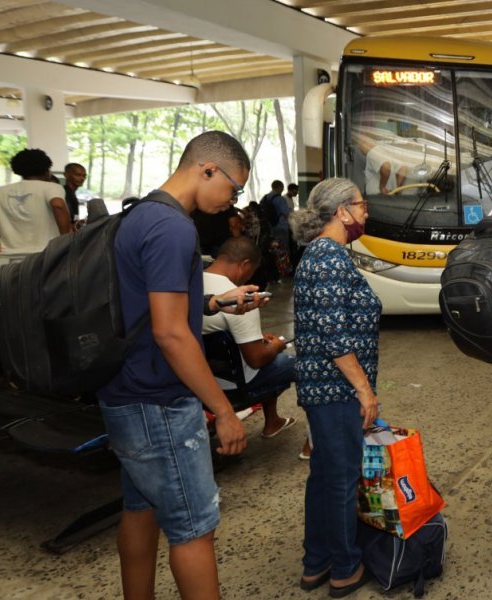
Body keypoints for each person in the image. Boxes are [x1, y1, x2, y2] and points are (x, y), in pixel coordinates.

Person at [96, 131, 262, 599]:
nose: (232, 203)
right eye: (233, 188)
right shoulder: (173, 228)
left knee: (140, 509)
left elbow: (148, 309)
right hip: (160, 401)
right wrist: (224, 410)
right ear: (207, 169)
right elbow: (170, 333)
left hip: (125, 391)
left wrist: (211, 304)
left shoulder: (141, 214)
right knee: (194, 527)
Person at [289, 177, 380, 596]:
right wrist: (364, 390)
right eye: (361, 205)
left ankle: (317, 561)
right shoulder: (328, 257)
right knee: (342, 478)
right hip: (335, 390)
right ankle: (344, 568)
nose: (365, 212)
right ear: (342, 211)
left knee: (325, 475)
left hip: (325, 389)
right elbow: (334, 336)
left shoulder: (323, 254)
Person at [202, 236, 297, 439]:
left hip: (204, 381)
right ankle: (315, 439)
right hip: (236, 385)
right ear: (245, 265)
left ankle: (273, 422)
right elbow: (256, 359)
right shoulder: (239, 297)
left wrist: (259, 339)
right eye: (251, 271)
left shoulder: (192, 288)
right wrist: (277, 346)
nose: (248, 278)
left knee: (265, 347)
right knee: (304, 363)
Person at [0, 149, 73, 272]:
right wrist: (66, 238)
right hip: (44, 255)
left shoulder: (0, 192)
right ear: (46, 169)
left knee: (15, 290)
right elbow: (58, 205)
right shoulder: (52, 187)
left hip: (9, 257)